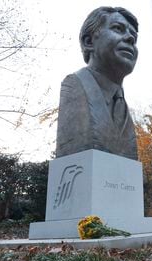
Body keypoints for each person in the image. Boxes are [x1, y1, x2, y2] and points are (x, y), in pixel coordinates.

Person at [55, 6, 139, 160]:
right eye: (118, 29)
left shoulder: (122, 104)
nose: (130, 38)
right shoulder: (75, 86)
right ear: (89, 42)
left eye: (133, 35)